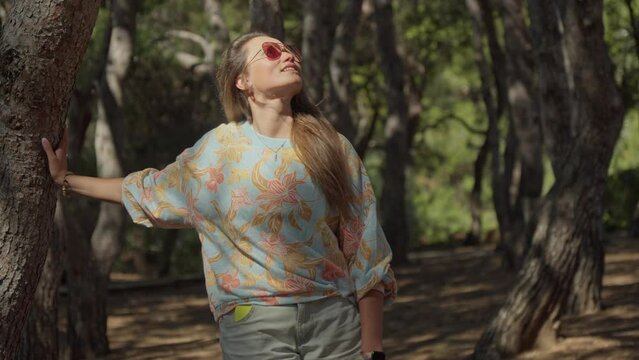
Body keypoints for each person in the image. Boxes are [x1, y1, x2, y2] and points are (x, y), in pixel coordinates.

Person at [42, 32, 396, 360]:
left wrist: (373, 346)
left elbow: (365, 248)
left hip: (334, 323)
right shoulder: (215, 152)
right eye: (272, 51)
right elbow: (147, 191)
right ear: (242, 81)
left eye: (290, 50)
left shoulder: (331, 146)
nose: (288, 56)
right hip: (252, 325)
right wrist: (65, 179)